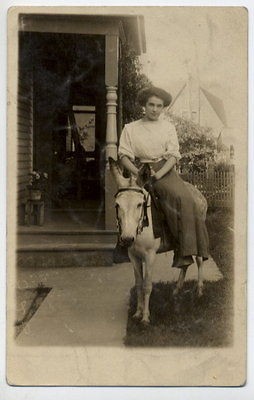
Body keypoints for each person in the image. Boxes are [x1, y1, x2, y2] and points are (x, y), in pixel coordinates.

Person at [118, 86, 209, 268]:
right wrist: (138, 173)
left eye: (159, 106)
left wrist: (158, 174)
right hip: (139, 169)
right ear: (144, 105)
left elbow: (174, 156)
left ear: (163, 107)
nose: (155, 109)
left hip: (164, 170)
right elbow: (123, 157)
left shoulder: (168, 128)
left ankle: (182, 250)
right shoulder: (131, 128)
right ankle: (122, 244)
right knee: (126, 201)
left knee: (183, 198)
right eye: (151, 105)